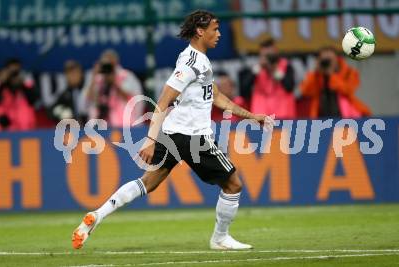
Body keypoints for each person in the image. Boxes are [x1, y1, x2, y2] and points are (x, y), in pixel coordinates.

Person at [72, 10, 274, 250]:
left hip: (172, 134)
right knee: (233, 184)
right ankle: (220, 238)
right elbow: (163, 100)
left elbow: (218, 98)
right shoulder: (191, 64)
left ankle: (98, 215)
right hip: (193, 137)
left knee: (148, 182)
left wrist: (252, 117)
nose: (218, 34)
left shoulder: (195, 59)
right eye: (215, 29)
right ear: (200, 31)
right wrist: (149, 139)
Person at [300, 47, 371, 118]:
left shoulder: (348, 72)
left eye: (329, 60)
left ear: (337, 58)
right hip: (321, 116)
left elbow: (348, 90)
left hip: (344, 115)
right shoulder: (316, 75)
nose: (327, 63)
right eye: (324, 60)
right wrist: (316, 71)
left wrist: (331, 74)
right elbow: (305, 91)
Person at [84, 49, 144, 127]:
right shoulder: (97, 79)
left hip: (125, 125)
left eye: (110, 63)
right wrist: (94, 76)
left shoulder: (126, 76)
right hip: (102, 125)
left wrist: (114, 82)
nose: (108, 67)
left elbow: (132, 100)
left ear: (116, 62)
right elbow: (87, 101)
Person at [239, 38, 296, 119]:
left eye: (270, 55)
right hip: (261, 116)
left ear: (276, 52)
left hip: (283, 115)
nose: (268, 58)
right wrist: (257, 70)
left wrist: (275, 70)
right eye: (265, 55)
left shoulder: (286, 66)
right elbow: (243, 91)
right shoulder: (255, 69)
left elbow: (290, 87)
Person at [0, 58, 37, 131]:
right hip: (5, 129)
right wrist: (1, 81)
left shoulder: (26, 85)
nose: (14, 74)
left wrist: (24, 83)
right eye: (11, 72)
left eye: (17, 71)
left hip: (25, 130)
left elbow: (33, 100)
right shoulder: (2, 87)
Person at [49, 60, 88, 125]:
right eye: (69, 74)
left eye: (75, 73)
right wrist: (62, 113)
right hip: (73, 130)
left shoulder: (88, 90)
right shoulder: (65, 94)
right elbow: (52, 111)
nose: (72, 77)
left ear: (81, 74)